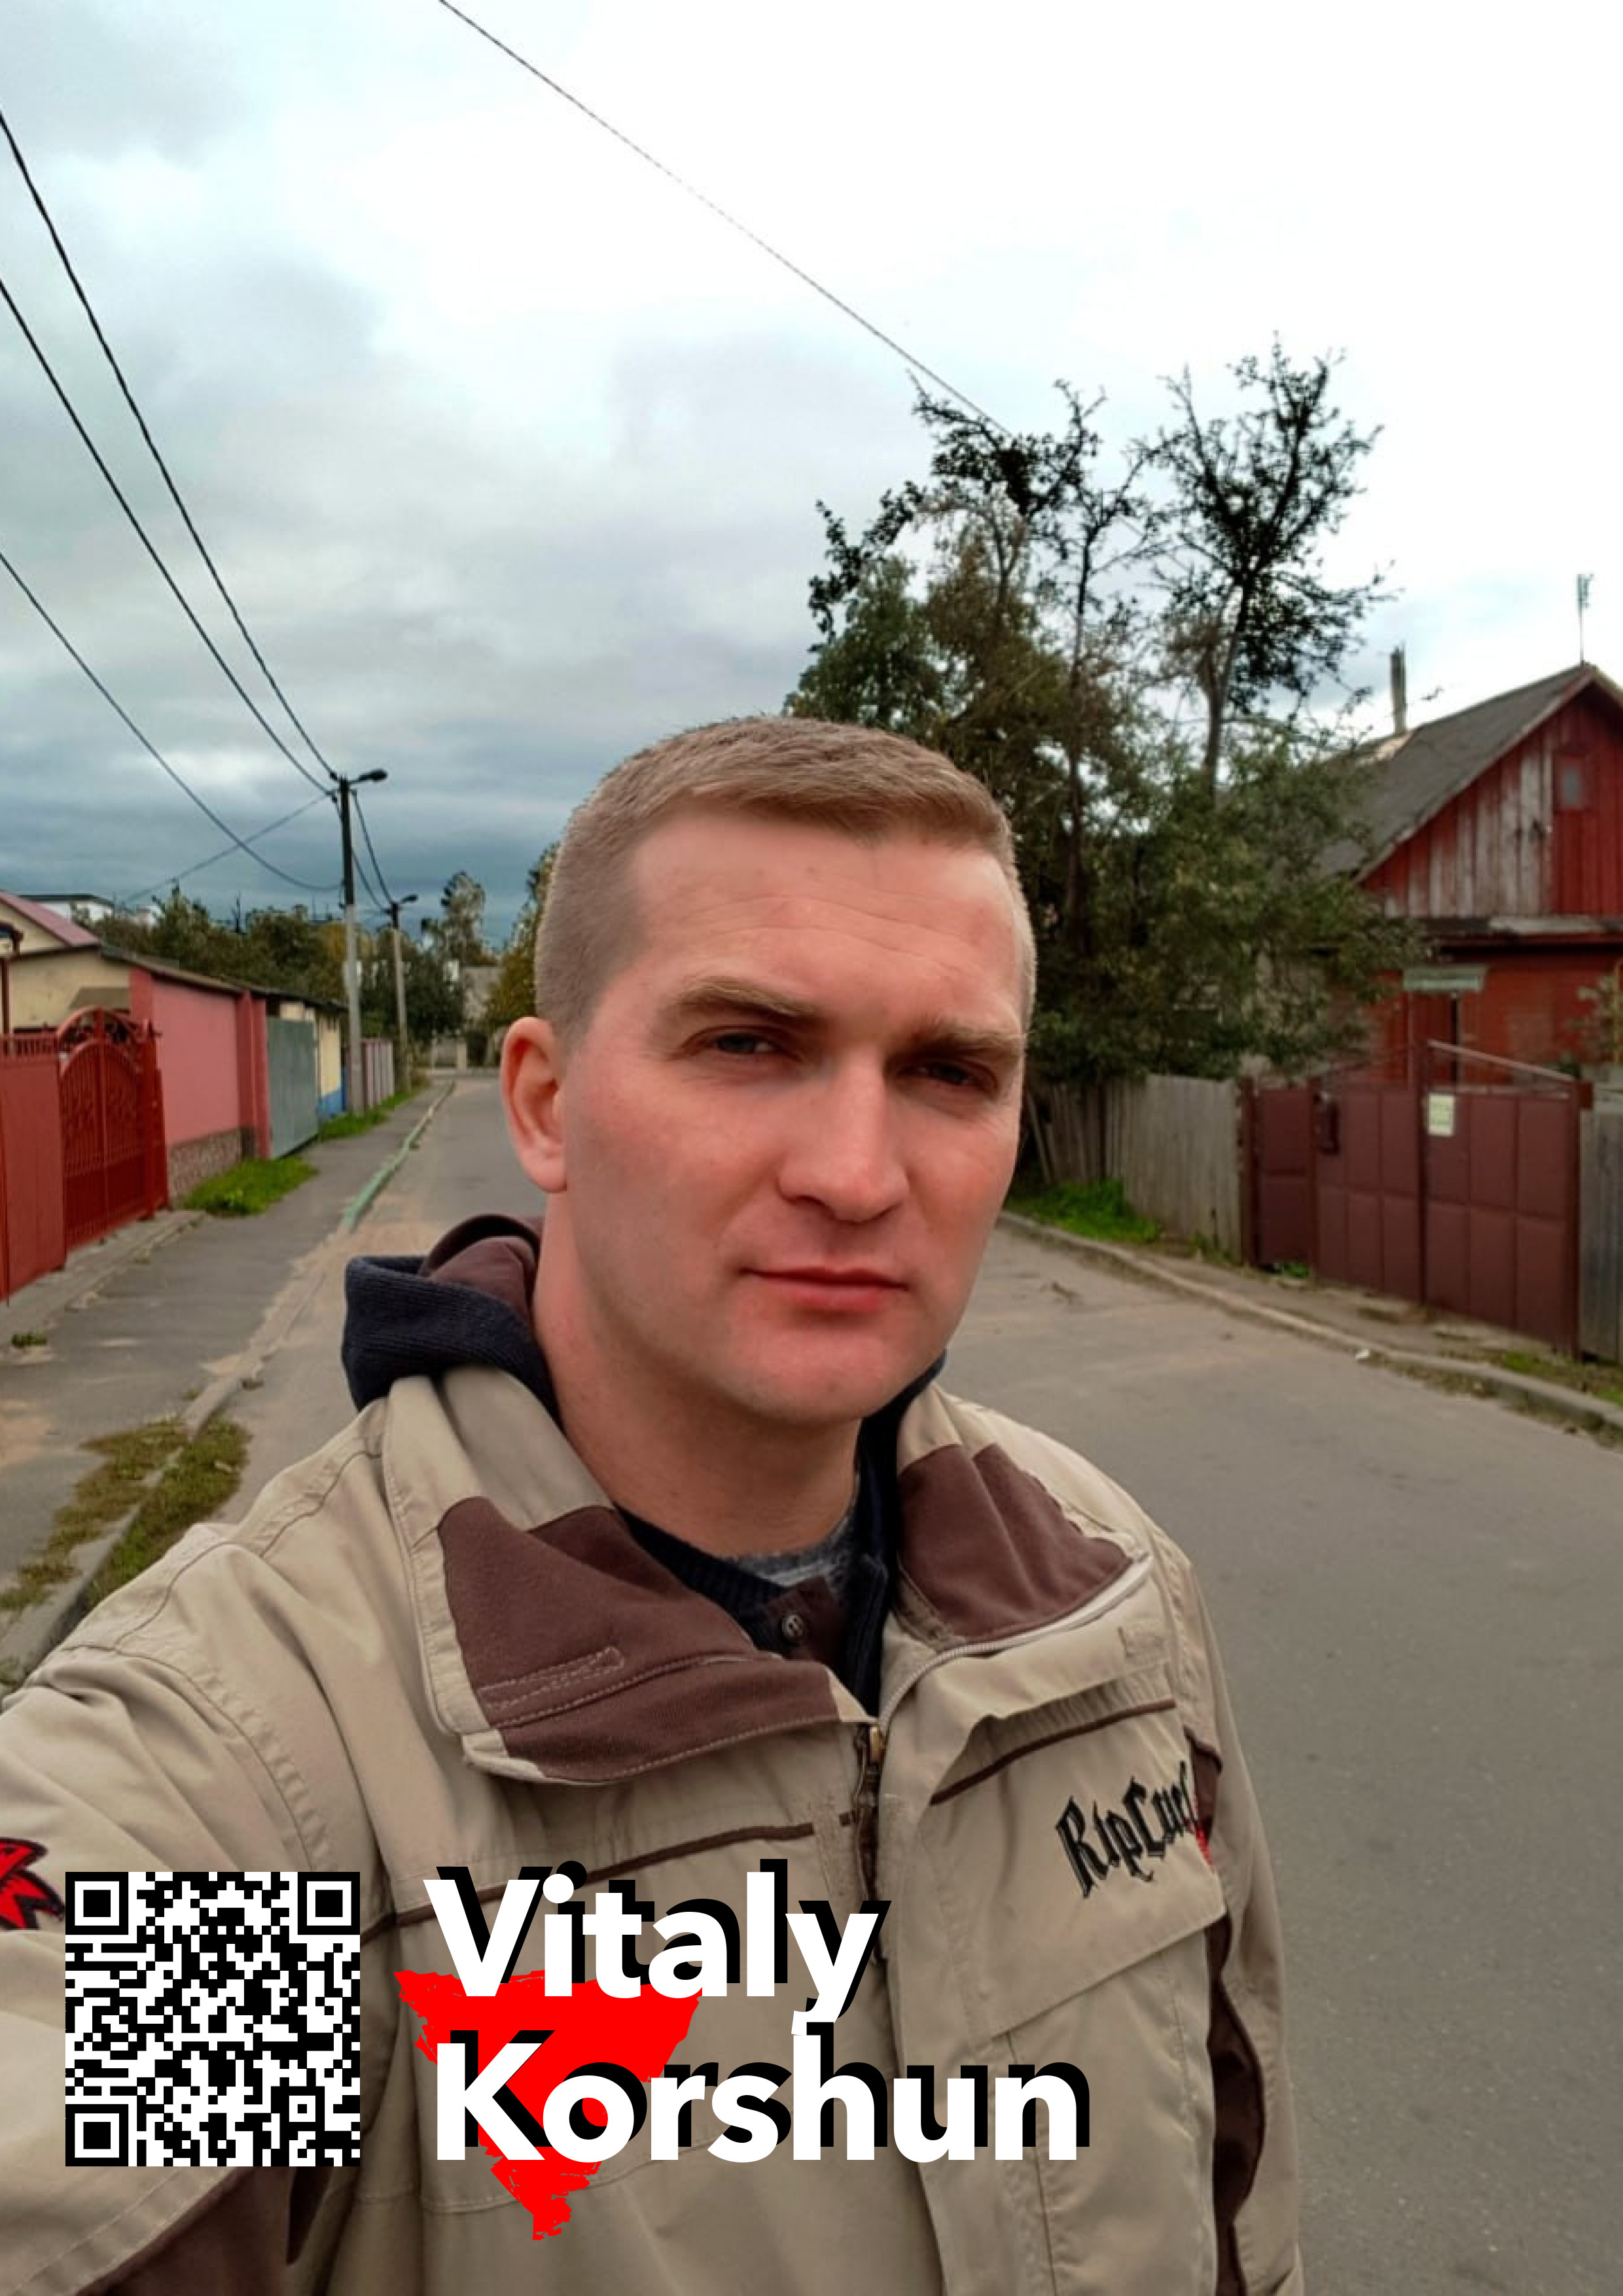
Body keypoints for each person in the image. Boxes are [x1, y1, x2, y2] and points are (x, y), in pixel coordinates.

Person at [0, 717, 1303, 2293]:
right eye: (747, 1043)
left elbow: (1235, 2203)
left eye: (947, 1071)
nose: (856, 1172)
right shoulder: (270, 1775)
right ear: (544, 1104)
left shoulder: (1107, 1608)